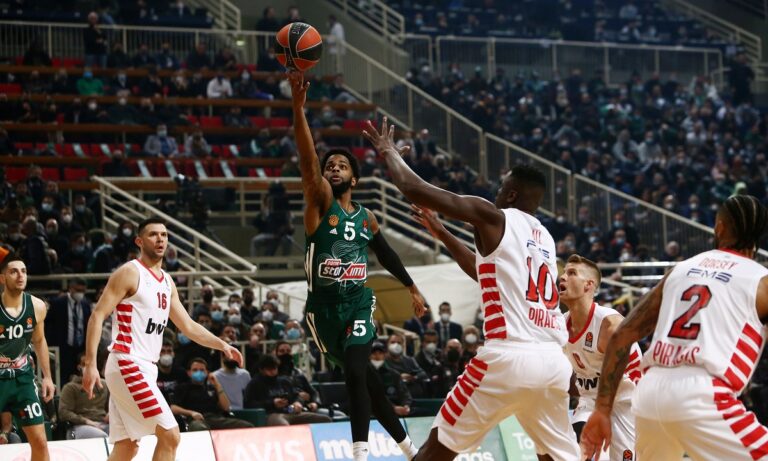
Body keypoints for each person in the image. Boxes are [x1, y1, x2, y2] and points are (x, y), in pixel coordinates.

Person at [365, 117, 579, 460]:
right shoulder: (545, 239)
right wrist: (443, 234)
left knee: (435, 451)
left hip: (508, 357)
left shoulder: (494, 215)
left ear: (510, 194)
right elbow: (486, 274)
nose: (496, 193)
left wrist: (388, 152)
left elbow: (414, 188)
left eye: (501, 188)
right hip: (553, 364)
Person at [290, 71, 425, 461]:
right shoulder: (320, 205)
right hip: (323, 311)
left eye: (342, 166)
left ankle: (360, 454)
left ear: (354, 178)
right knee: (366, 380)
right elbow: (308, 161)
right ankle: (410, 450)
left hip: (358, 303)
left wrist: (411, 286)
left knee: (355, 370)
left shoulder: (367, 218)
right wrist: (298, 109)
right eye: (330, 165)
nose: (333, 168)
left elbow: (385, 253)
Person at [581, 195, 768, 461]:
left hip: (650, 392)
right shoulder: (760, 281)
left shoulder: (680, 270)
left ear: (719, 227)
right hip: (703, 395)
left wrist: (602, 409)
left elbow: (623, 335)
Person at [81, 217, 244, 461]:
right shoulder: (129, 272)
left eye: (164, 235)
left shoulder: (167, 281)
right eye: (153, 234)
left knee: (127, 447)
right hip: (127, 361)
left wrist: (222, 344)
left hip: (146, 367)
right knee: (170, 435)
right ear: (139, 241)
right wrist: (90, 364)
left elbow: (188, 326)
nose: (160, 239)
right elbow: (97, 315)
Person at [559, 254, 641, 460]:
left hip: (626, 402)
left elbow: (631, 375)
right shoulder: (560, 326)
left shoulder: (609, 325)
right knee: (579, 450)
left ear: (588, 285)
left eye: (571, 273)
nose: (562, 277)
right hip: (590, 401)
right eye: (564, 272)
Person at [0, 256, 56, 461]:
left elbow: (39, 341)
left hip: (22, 379)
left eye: (23, 271)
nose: (20, 275)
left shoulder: (37, 306)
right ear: (2, 278)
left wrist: (47, 377)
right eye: (14, 271)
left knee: (40, 442)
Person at [244, 354, 332, 426]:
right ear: (261, 370)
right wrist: (272, 403)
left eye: (274, 368)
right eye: (269, 369)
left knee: (324, 419)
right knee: (282, 424)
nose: (272, 372)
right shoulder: (255, 383)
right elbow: (249, 404)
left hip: (290, 412)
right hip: (270, 414)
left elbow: (296, 396)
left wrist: (297, 403)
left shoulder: (284, 381)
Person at [170, 358, 252, 431]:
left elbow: (226, 407)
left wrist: (218, 385)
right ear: (189, 372)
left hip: (216, 418)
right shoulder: (182, 387)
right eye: (195, 370)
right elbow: (173, 408)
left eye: (202, 370)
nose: (199, 372)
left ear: (207, 372)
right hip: (196, 420)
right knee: (200, 428)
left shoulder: (212, 387)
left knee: (247, 426)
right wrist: (191, 413)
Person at [45, 278, 92, 381]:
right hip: (63, 348)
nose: (80, 293)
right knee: (63, 377)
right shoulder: (57, 303)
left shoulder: (86, 304)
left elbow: (88, 326)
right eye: (78, 290)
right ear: (71, 289)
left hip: (80, 348)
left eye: (83, 291)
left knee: (80, 378)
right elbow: (48, 325)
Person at [59, 353, 109, 439]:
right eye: (84, 364)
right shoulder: (70, 387)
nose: (88, 367)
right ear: (79, 367)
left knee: (125, 435)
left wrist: (110, 413)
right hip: (80, 426)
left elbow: (114, 404)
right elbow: (64, 412)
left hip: (103, 423)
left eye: (91, 364)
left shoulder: (104, 385)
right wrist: (86, 421)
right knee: (100, 436)